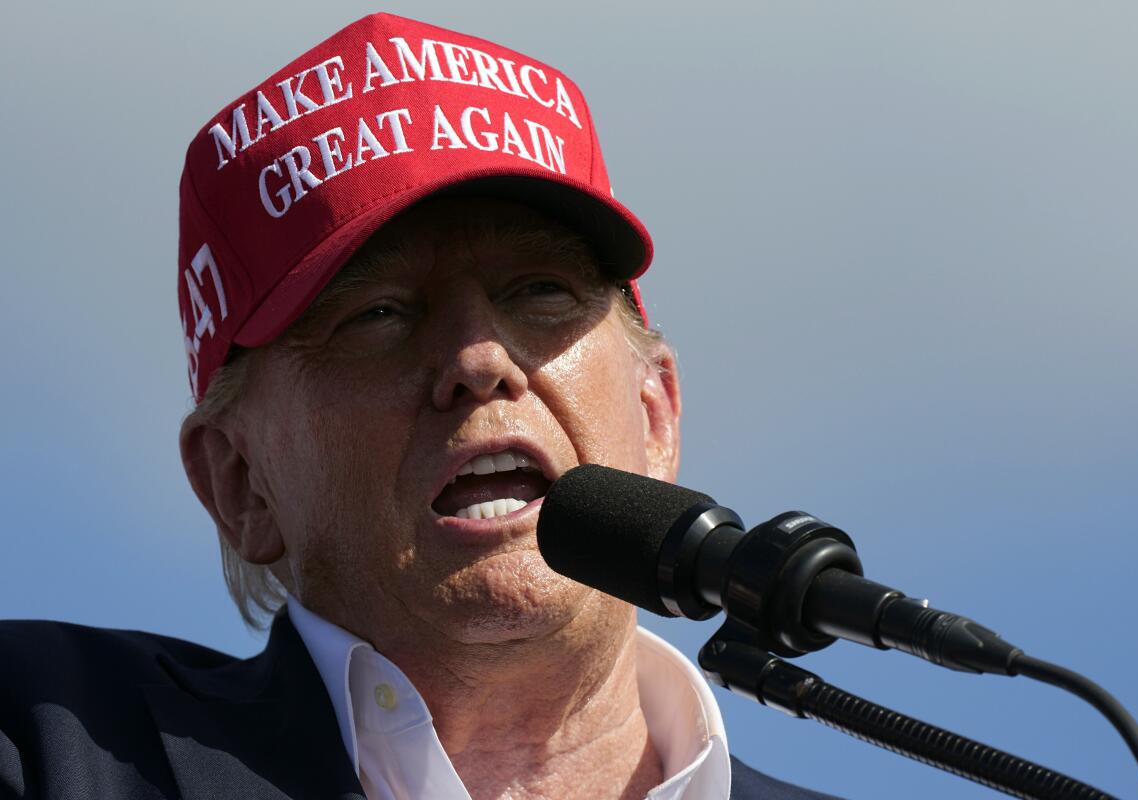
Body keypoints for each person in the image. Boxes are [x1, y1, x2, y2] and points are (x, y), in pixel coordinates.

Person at [0, 14, 837, 800]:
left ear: (656, 415)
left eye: (539, 291)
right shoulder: (46, 741)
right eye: (381, 315)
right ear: (242, 481)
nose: (478, 361)